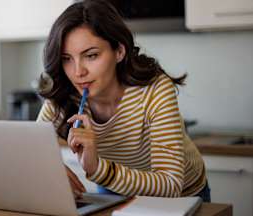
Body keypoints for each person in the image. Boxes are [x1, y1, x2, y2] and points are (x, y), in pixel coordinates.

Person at [37, 0, 210, 202]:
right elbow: (30, 151)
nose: (78, 72)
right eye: (67, 58)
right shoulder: (64, 94)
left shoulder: (154, 90)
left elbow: (170, 184)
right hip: (115, 188)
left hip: (182, 195)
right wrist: (48, 168)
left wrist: (97, 169)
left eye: (91, 55)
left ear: (119, 51)